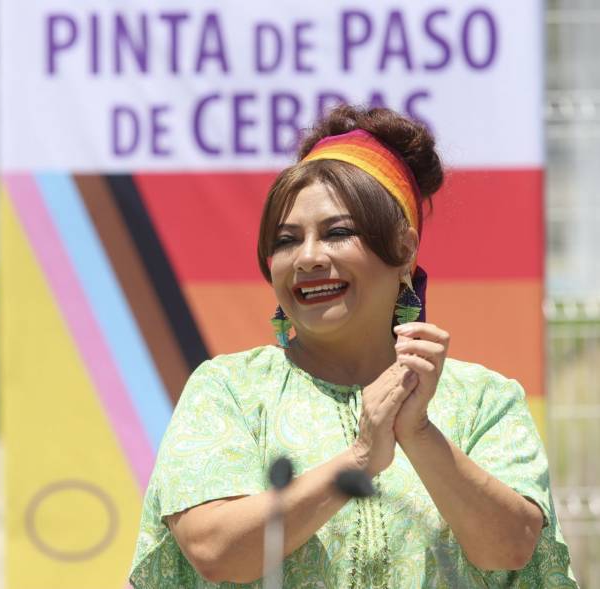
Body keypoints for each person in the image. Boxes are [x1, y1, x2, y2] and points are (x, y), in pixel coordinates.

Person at [128, 105, 579, 588]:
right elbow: (216, 551)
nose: (307, 258)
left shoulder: (483, 399)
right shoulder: (229, 389)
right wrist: (360, 459)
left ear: (404, 249)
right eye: (286, 241)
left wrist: (419, 432)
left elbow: (510, 548)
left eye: (338, 233)